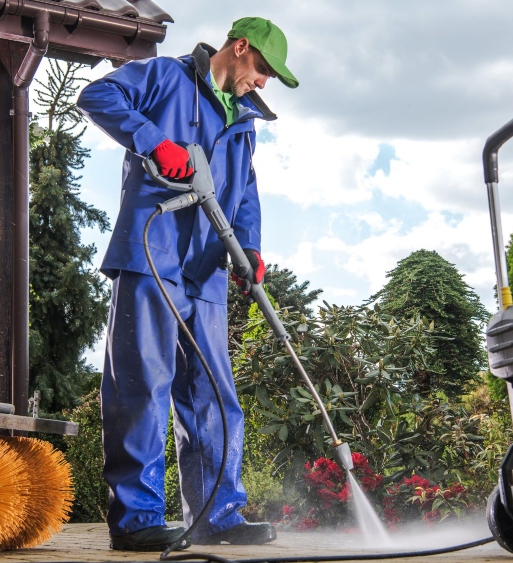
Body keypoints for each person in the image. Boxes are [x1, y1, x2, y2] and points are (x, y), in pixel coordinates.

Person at [77, 17, 298, 552]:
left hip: (206, 269)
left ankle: (217, 515)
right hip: (152, 254)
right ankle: (137, 520)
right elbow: (96, 95)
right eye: (263, 68)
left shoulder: (243, 121)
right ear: (239, 48)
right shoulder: (164, 78)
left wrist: (249, 249)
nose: (263, 82)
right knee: (143, 385)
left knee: (213, 393)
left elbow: (244, 194)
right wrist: (155, 142)